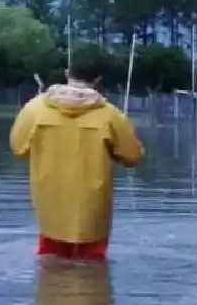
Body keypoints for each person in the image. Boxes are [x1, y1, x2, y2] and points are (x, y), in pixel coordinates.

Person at [9, 55, 144, 261]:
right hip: (92, 211)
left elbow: (18, 148)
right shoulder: (110, 115)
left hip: (50, 206)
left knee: (50, 267)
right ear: (98, 80)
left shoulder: (34, 109)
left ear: (66, 74)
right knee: (93, 268)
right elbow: (133, 156)